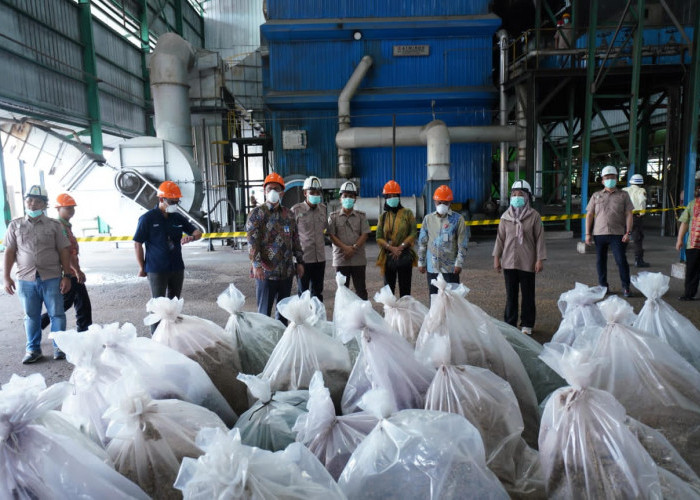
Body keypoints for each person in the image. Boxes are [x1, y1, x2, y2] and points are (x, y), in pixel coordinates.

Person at [3, 185, 72, 363]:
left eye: (37, 201)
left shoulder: (54, 225)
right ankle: (33, 350)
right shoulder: (15, 225)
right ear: (25, 202)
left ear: (44, 205)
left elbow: (64, 250)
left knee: (57, 314)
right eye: (29, 200)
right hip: (26, 280)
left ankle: (60, 347)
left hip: (52, 278)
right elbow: (9, 252)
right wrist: (6, 276)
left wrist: (67, 275)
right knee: (31, 315)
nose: (32, 204)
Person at [133, 181, 203, 331]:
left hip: (176, 267)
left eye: (177, 201)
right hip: (156, 268)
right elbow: (137, 243)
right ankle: (157, 337)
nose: (175, 204)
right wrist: (141, 267)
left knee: (174, 304)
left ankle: (172, 335)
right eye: (172, 201)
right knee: (158, 305)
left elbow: (198, 232)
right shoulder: (147, 219)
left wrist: (191, 237)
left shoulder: (177, 218)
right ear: (161, 200)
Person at [246, 172, 304, 323]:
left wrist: (300, 261)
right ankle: (264, 343)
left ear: (282, 192)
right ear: (264, 191)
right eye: (269, 188)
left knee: (284, 313)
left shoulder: (289, 214)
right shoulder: (257, 214)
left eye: (276, 188)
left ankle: (282, 341)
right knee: (264, 313)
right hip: (265, 273)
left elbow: (296, 239)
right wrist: (256, 265)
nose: (272, 191)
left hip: (286, 272)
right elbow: (252, 243)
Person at [492, 180, 547, 335]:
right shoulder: (505, 217)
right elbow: (500, 239)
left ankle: (527, 324)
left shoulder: (534, 216)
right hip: (509, 262)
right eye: (514, 194)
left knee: (528, 294)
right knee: (511, 295)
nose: (516, 197)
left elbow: (540, 239)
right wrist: (497, 258)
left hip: (528, 262)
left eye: (520, 194)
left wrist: (539, 259)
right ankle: (510, 323)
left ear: (527, 197)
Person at [40, 193, 93, 333]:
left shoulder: (65, 226)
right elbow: (67, 252)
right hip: (67, 272)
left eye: (72, 208)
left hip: (71, 270)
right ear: (58, 209)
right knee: (65, 303)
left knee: (82, 302)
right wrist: (76, 271)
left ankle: (84, 330)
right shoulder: (60, 227)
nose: (71, 210)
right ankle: (38, 324)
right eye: (67, 208)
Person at [585, 165, 634, 297]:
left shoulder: (624, 195)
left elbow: (629, 214)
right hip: (599, 233)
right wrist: (587, 234)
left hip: (617, 234)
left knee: (621, 260)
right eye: (607, 178)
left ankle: (626, 287)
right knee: (600, 261)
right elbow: (589, 215)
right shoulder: (596, 196)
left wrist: (628, 232)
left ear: (616, 179)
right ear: (602, 180)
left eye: (612, 177)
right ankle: (603, 286)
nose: (609, 180)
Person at [417, 185, 469, 296]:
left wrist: (459, 263)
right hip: (433, 268)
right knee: (434, 298)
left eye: (445, 203)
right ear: (434, 201)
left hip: (450, 268)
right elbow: (422, 242)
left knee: (452, 300)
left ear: (450, 203)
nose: (442, 205)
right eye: (439, 202)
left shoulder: (458, 219)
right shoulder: (428, 219)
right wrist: (421, 261)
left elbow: (462, 243)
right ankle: (435, 314)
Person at [328, 180, 370, 300]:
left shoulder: (361, 216)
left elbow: (365, 234)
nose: (348, 199)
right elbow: (332, 235)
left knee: (361, 291)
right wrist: (346, 249)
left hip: (358, 259)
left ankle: (362, 317)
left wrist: (354, 248)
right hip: (341, 259)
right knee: (342, 291)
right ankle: (343, 317)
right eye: (345, 196)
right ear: (340, 198)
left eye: (351, 196)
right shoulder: (333, 217)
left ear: (355, 199)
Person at [376, 180, 417, 297]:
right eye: (389, 196)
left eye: (395, 195)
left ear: (399, 197)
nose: (392, 198)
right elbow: (379, 237)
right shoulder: (383, 217)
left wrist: (400, 247)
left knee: (405, 291)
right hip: (388, 258)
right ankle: (390, 315)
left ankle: (405, 315)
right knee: (389, 292)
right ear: (385, 197)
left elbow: (413, 232)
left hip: (405, 256)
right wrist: (391, 248)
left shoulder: (408, 213)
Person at [291, 176, 327, 302]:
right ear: (305, 193)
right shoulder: (296, 210)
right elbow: (291, 237)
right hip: (303, 259)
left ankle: (317, 319)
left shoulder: (323, 209)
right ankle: (303, 321)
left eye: (318, 193)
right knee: (303, 293)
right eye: (312, 193)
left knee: (318, 293)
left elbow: (327, 230)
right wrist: (296, 259)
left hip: (320, 259)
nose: (315, 195)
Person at [675, 183, 700, 301]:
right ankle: (689, 294)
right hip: (693, 244)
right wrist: (680, 239)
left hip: (694, 244)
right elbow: (684, 223)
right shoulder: (692, 204)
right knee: (691, 271)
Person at [623, 173, 650, 267]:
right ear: (641, 183)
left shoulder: (624, 190)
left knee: (624, 238)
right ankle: (638, 261)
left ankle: (621, 260)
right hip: (635, 216)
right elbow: (642, 201)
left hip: (623, 216)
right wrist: (642, 213)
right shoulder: (641, 190)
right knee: (637, 239)